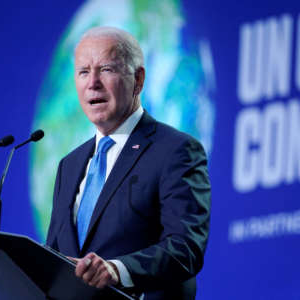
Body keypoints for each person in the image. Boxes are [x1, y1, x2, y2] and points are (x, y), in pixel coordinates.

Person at [46, 26, 211, 300]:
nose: (93, 83)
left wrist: (117, 270)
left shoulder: (176, 150)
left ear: (138, 80)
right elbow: (52, 257)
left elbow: (186, 247)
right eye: (84, 72)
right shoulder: (69, 166)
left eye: (106, 69)